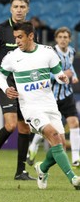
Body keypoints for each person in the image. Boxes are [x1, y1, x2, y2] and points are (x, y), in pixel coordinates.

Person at [0, 21, 80, 190]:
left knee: (60, 146)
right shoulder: (12, 57)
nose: (17, 40)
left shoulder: (47, 53)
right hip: (30, 107)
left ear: (31, 36)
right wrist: (6, 89)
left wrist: (61, 77)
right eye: (15, 37)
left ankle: (42, 168)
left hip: (49, 104)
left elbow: (57, 73)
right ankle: (74, 179)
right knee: (54, 137)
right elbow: (0, 77)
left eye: (20, 37)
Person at [0, 0, 34, 180]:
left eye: (22, 7)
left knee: (24, 128)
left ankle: (20, 171)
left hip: (23, 82)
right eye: (16, 7)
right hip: (4, 82)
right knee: (11, 125)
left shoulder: (30, 30)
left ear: (27, 9)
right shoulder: (0, 30)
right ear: (10, 9)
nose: (19, 10)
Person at [27, 27, 80, 167]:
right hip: (50, 97)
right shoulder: (50, 53)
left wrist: (73, 76)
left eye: (66, 37)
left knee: (74, 122)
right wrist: (60, 77)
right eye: (60, 37)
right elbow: (43, 73)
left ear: (70, 39)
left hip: (67, 94)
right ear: (56, 39)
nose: (63, 39)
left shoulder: (72, 52)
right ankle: (33, 147)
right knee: (47, 128)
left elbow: (70, 67)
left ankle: (76, 158)